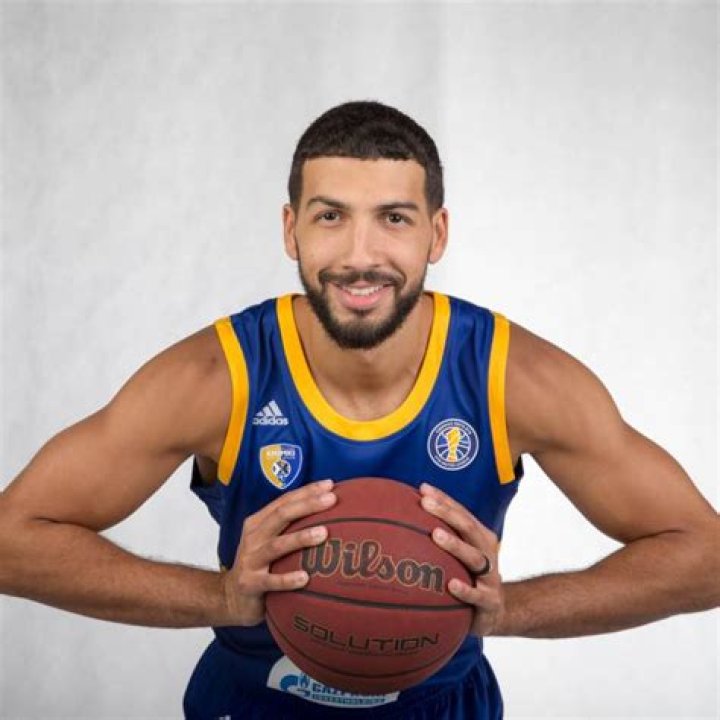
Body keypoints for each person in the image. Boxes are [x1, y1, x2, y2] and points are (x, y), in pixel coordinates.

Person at [0, 100, 717, 719]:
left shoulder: (512, 378)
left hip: (442, 704)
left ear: (437, 233)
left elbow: (705, 557)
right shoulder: (217, 377)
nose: (360, 254)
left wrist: (511, 609)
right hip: (255, 700)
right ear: (292, 230)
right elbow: (12, 542)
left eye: (394, 218)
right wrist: (219, 596)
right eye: (331, 216)